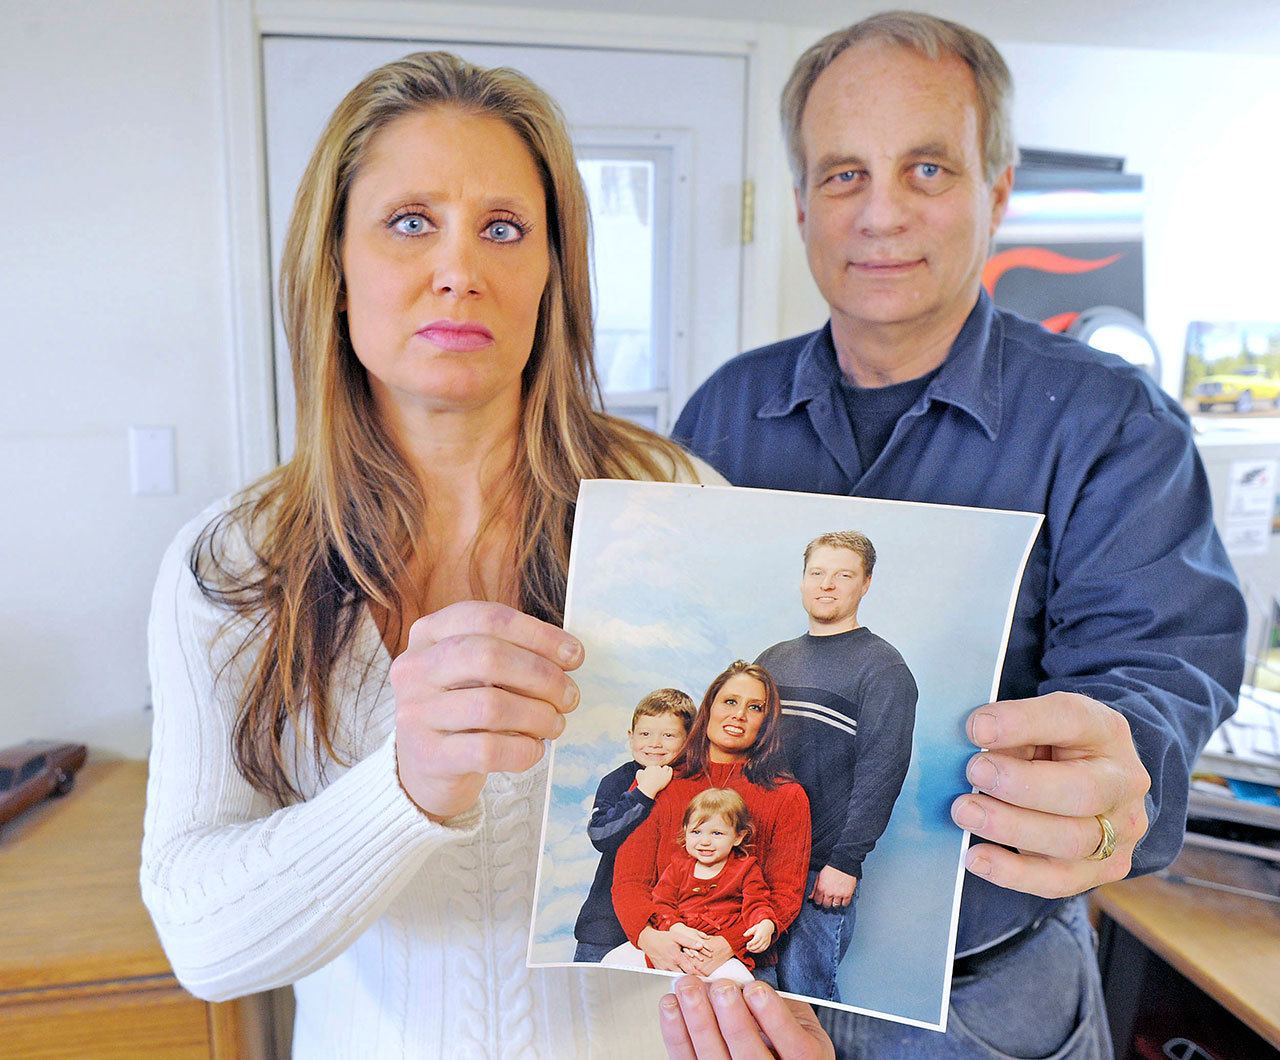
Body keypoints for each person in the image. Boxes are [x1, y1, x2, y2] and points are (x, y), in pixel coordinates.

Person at [666, 10, 1245, 1059]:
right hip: (739, 981)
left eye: (926, 169)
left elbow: (1160, 672)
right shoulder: (721, 412)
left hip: (982, 1005)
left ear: (998, 190)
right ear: (800, 203)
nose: (881, 213)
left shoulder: (1114, 423)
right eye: (843, 174)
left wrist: (1112, 773)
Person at [140, 51, 728, 1057]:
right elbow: (203, 947)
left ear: (550, 276)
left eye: (503, 229)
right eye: (411, 222)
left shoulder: (675, 503)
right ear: (335, 271)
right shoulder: (237, 563)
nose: (460, 269)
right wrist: (406, 786)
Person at [755, 530, 917, 1002]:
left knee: (805, 1000)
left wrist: (844, 862)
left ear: (866, 584)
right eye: (817, 573)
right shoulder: (772, 660)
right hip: (753, 862)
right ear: (803, 580)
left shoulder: (882, 668)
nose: (826, 585)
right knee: (750, 996)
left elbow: (882, 772)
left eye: (843, 575)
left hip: (818, 870)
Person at [611, 661, 811, 981]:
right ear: (709, 708)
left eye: (755, 707)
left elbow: (784, 895)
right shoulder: (657, 782)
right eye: (730, 701)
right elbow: (630, 880)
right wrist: (652, 940)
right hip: (659, 943)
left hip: (741, 957)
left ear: (767, 722)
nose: (739, 714)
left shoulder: (787, 796)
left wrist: (728, 944)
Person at [604, 788, 777, 984]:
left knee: (740, 982)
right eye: (696, 832)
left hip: (715, 951)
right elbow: (662, 903)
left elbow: (757, 903)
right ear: (685, 831)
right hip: (676, 940)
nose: (705, 841)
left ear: (738, 837)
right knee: (612, 962)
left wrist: (765, 923)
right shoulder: (679, 867)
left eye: (717, 833)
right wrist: (675, 927)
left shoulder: (746, 868)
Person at [574, 687, 698, 962]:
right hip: (606, 923)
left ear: (690, 739)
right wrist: (644, 793)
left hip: (668, 919)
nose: (654, 743)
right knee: (590, 984)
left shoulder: (695, 784)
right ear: (630, 737)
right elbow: (600, 835)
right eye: (645, 734)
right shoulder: (616, 780)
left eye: (668, 735)